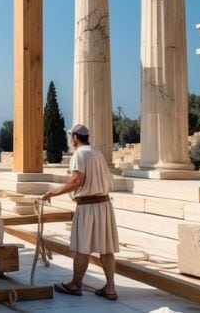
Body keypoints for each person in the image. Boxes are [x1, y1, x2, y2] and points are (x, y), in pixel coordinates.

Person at [42, 124, 119, 301]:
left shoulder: (79, 154)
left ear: (75, 137)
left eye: (71, 137)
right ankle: (110, 287)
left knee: (82, 248)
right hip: (104, 204)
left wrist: (52, 192)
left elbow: (77, 180)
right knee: (106, 249)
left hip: (88, 206)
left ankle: (75, 284)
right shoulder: (97, 153)